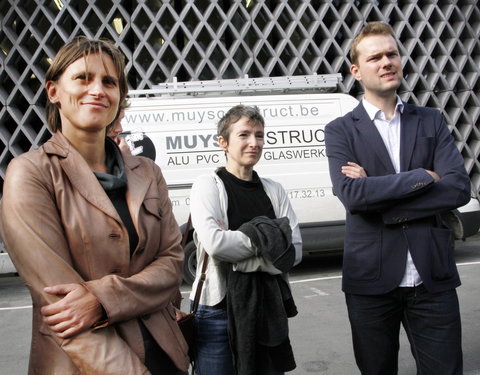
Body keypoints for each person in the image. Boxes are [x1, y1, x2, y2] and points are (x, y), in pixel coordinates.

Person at [0, 36, 189, 374]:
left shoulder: (148, 172)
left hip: (167, 355)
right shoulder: (30, 173)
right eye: (83, 78)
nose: (98, 89)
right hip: (86, 364)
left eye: (109, 81)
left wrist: (103, 298)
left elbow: (172, 265)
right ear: (53, 91)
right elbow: (62, 311)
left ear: (120, 98)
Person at [324, 21, 470, 374]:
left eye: (392, 54)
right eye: (375, 57)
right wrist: (423, 177)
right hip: (370, 281)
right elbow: (353, 196)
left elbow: (458, 188)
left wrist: (379, 191)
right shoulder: (340, 130)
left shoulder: (431, 121)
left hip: (431, 276)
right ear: (356, 71)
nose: (386, 61)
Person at [189, 104, 302, 375]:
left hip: (267, 308)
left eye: (260, 135)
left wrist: (243, 256)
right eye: (244, 135)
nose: (254, 143)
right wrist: (270, 238)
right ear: (223, 142)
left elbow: (294, 250)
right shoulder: (208, 185)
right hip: (217, 311)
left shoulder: (274, 190)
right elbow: (216, 245)